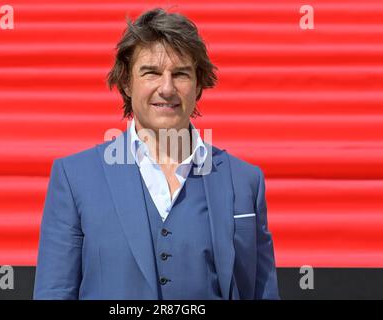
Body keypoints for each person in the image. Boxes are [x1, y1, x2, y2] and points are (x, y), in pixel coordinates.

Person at [34, 8, 279, 300]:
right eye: (151, 72)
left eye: (180, 74)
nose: (167, 88)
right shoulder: (74, 177)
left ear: (198, 84)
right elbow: (55, 292)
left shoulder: (245, 181)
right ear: (126, 81)